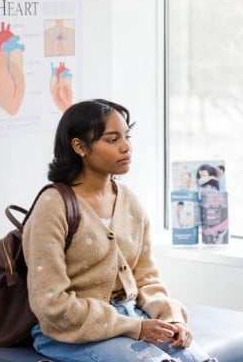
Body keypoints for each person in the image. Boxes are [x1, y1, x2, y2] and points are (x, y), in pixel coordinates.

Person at [22, 99, 217, 362]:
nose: (126, 147)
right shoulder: (52, 207)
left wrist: (171, 318)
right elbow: (52, 305)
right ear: (80, 146)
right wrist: (134, 328)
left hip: (131, 318)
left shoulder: (130, 202)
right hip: (67, 334)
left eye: (127, 136)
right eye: (112, 140)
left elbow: (147, 280)